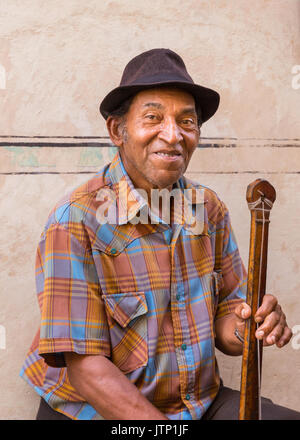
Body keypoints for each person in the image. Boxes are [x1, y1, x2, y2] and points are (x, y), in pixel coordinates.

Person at [20, 48, 299, 420]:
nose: (173, 136)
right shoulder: (76, 221)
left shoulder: (206, 209)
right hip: (96, 409)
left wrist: (250, 326)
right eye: (153, 118)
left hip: (196, 404)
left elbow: (229, 318)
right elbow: (87, 370)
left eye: (187, 121)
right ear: (117, 131)